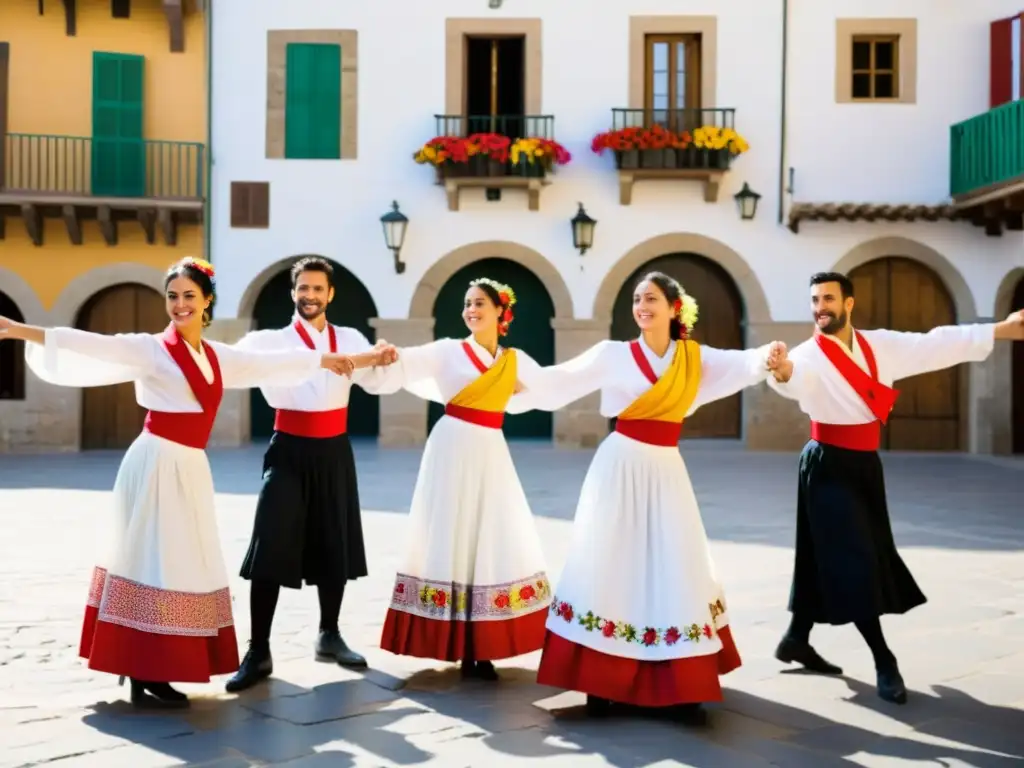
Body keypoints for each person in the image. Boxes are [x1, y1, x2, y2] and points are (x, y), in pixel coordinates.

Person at [0, 257, 393, 709]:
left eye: (189, 296)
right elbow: (94, 345)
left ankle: (157, 662)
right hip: (155, 462)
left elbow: (280, 365)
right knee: (148, 561)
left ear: (207, 302)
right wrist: (18, 328)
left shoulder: (216, 355)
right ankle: (142, 665)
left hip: (188, 467)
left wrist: (352, 358)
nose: (179, 305)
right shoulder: (151, 348)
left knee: (179, 563)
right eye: (172, 296)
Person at [507, 271, 790, 723]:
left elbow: (741, 364)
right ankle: (600, 679)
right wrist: (513, 378)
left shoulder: (693, 359)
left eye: (652, 298)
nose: (642, 306)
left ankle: (679, 681)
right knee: (610, 562)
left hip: (665, 469)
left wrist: (767, 356)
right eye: (637, 298)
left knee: (672, 562)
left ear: (675, 308)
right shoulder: (612, 355)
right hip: (619, 466)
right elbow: (558, 381)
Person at [765, 271, 1024, 705]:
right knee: (856, 558)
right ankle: (884, 660)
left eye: (828, 298)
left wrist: (1001, 329)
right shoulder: (806, 354)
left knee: (823, 552)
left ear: (849, 303)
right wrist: (784, 371)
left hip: (865, 465)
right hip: (826, 462)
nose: (820, 307)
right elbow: (796, 379)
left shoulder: (879, 345)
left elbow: (934, 343)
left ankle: (796, 638)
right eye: (814, 300)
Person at [226, 257, 400, 693]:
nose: (310, 296)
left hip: (334, 449)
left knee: (332, 540)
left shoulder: (351, 338)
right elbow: (235, 366)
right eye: (302, 288)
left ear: (330, 294)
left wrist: (384, 359)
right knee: (270, 541)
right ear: (293, 293)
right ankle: (259, 649)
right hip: (287, 448)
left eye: (317, 289)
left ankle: (329, 634)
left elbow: (380, 382)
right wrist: (328, 360)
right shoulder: (269, 340)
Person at [376, 278, 557, 680]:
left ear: (500, 312)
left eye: (479, 303)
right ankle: (449, 638)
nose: (471, 310)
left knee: (490, 534)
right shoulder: (447, 351)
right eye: (467, 304)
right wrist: (377, 356)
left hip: (491, 448)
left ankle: (483, 644)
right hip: (452, 445)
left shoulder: (513, 360)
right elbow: (406, 361)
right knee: (451, 533)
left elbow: (548, 387)